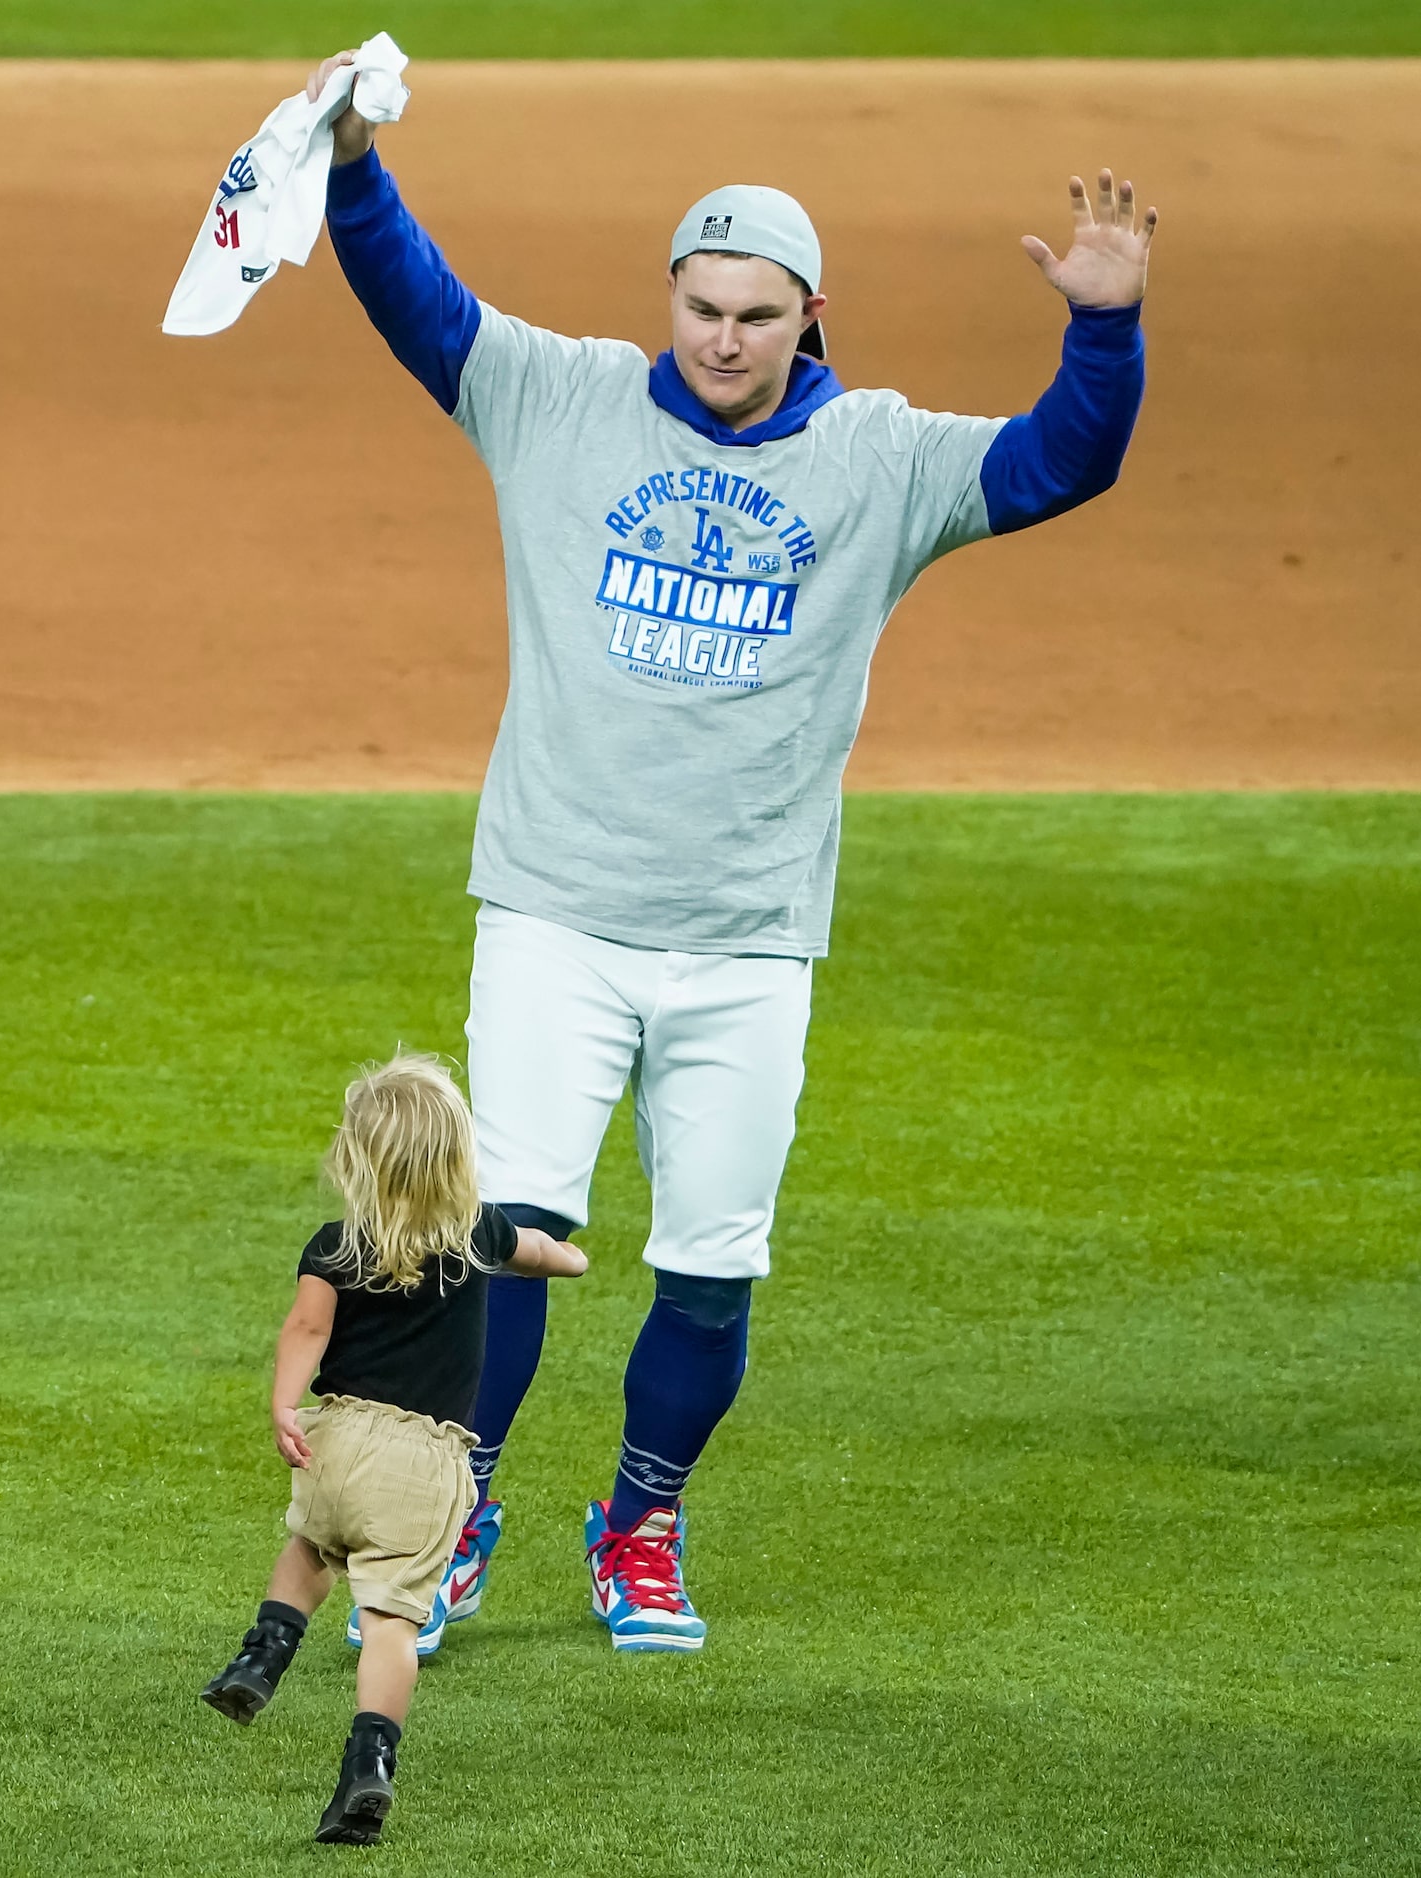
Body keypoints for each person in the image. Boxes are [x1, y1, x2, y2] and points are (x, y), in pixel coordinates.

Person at [298, 49, 1154, 1653]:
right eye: (701, 306)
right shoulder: (559, 399)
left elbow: (1061, 461)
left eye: (757, 313)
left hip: (751, 934)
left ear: (809, 315)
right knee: (498, 1239)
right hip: (554, 908)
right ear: (671, 298)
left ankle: (637, 1522)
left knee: (709, 1262)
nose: (723, 338)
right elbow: (420, 302)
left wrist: (1100, 326)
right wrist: (351, 165)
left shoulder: (883, 458)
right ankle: (451, 1502)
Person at [200, 1053, 587, 1845]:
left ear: (356, 1158)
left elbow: (305, 1329)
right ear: (457, 1156)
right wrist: (571, 1258)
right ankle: (368, 1762)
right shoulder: (479, 1232)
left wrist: (283, 1405)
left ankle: (262, 1656)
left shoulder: (334, 1245)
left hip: (337, 1439)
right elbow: (543, 1254)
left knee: (309, 1548)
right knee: (389, 1622)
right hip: (424, 1463)